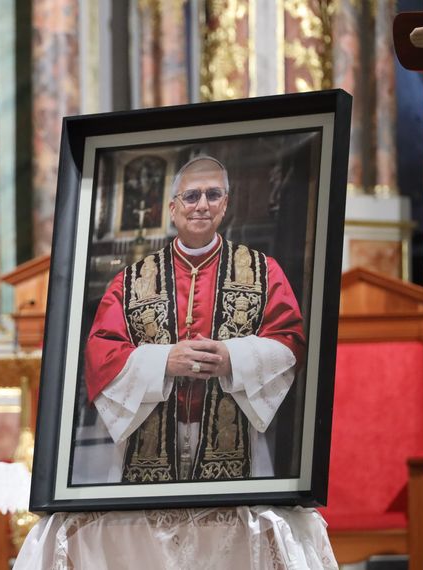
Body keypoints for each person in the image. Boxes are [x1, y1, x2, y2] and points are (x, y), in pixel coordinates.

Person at [83, 156, 306, 483]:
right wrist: (163, 362)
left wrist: (234, 359)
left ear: (225, 204)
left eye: (213, 195)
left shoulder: (263, 272)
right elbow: (100, 355)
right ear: (173, 208)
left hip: (234, 441)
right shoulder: (131, 280)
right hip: (149, 438)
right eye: (191, 196)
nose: (202, 205)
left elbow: (291, 343)